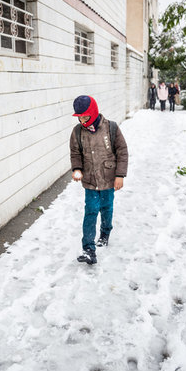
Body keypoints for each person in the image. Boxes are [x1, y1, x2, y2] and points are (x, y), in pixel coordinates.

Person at [70, 95, 129, 265]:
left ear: (94, 112)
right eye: (79, 117)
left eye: (85, 116)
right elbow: (75, 153)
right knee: (90, 211)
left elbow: (122, 151)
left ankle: (105, 232)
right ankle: (88, 249)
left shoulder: (111, 128)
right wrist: (77, 169)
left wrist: (120, 175)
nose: (82, 120)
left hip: (109, 178)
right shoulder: (77, 132)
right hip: (90, 180)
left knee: (106, 207)